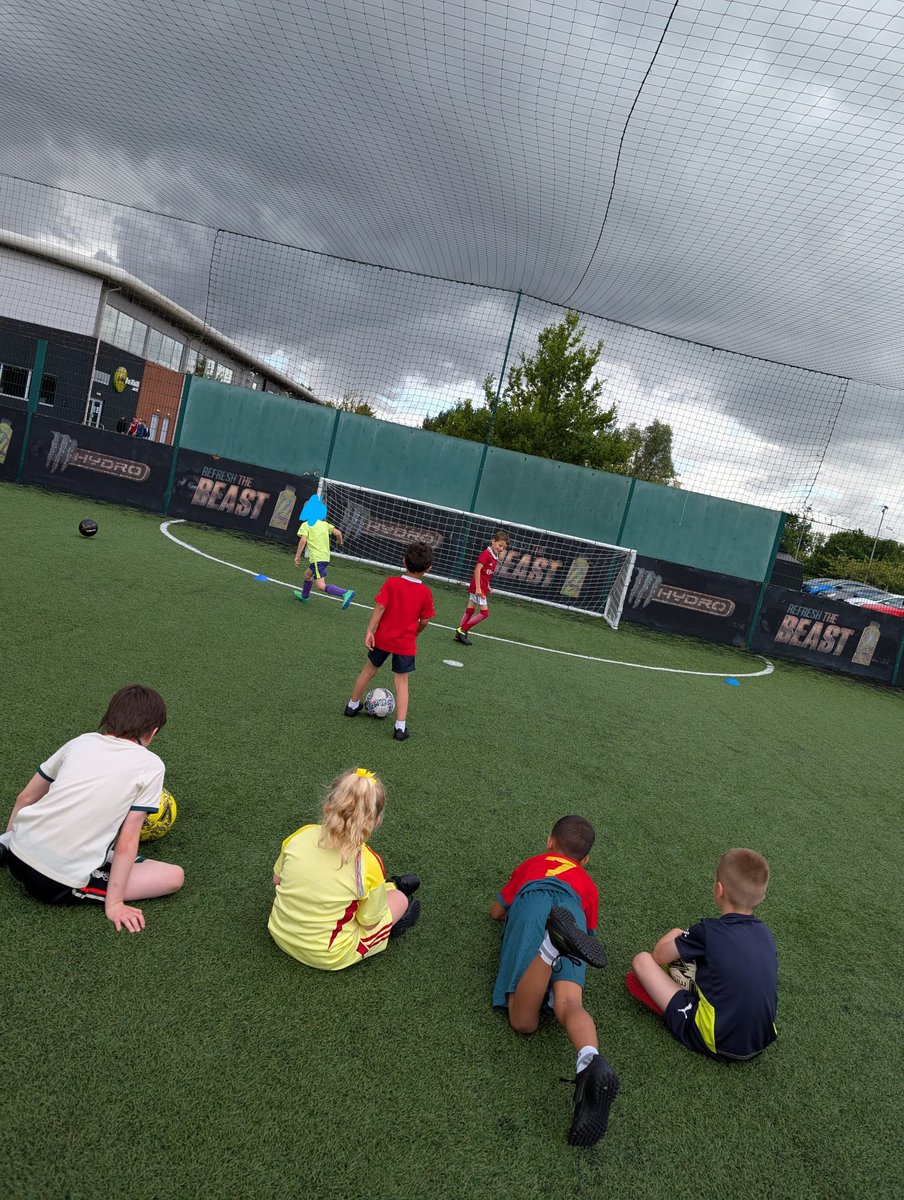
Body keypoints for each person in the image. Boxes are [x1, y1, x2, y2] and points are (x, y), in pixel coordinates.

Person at [0, 685, 184, 933]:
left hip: (17, 851)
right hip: (54, 883)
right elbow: (128, 840)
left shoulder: (81, 742)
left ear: (108, 718)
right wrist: (115, 903)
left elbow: (25, 797)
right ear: (153, 732)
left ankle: (5, 845)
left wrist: (14, 841)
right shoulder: (151, 765)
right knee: (174, 876)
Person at [491, 815, 620, 1147]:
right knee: (570, 1003)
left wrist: (511, 913)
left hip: (534, 904)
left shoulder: (533, 864)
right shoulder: (588, 886)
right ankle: (589, 1057)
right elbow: (588, 934)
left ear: (550, 842)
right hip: (572, 914)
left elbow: (496, 912)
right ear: (586, 860)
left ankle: (549, 949)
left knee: (522, 1021)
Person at [626, 848, 778, 1062]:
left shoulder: (708, 931)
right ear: (761, 897)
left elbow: (659, 955)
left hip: (717, 1039)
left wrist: (677, 933)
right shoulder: (765, 934)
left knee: (642, 960)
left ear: (719, 889)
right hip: (760, 1039)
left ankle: (682, 1010)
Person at [268, 767, 420, 970]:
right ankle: (393, 897)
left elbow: (277, 880)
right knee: (399, 900)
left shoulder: (300, 835)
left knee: (362, 893)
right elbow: (367, 923)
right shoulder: (368, 863)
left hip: (279, 932)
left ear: (326, 806)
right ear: (375, 821)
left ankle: (389, 887)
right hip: (328, 955)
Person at [344, 540, 434, 741]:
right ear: (429, 568)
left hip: (382, 638)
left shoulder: (391, 583)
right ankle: (400, 728)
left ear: (403, 562)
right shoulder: (425, 593)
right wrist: (416, 632)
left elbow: (380, 608)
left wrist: (370, 631)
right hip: (405, 644)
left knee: (368, 670)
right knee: (401, 681)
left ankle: (351, 706)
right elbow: (425, 621)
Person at [454, 529, 509, 645]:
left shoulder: (494, 556)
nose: (500, 548)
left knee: (470, 610)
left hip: (482, 586)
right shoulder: (486, 554)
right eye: (500, 545)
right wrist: (479, 588)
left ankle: (458, 634)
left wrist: (487, 585)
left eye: (503, 547)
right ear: (493, 541)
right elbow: (478, 570)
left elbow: (486, 574)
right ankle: (463, 629)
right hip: (478, 587)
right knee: (484, 613)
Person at [293, 516, 355, 609]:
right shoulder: (325, 524)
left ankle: (345, 593)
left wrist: (297, 556)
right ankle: (304, 596)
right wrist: (339, 542)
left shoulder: (306, 525)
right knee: (307, 575)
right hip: (325, 557)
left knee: (321, 586)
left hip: (317, 559)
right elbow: (338, 533)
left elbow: (303, 540)